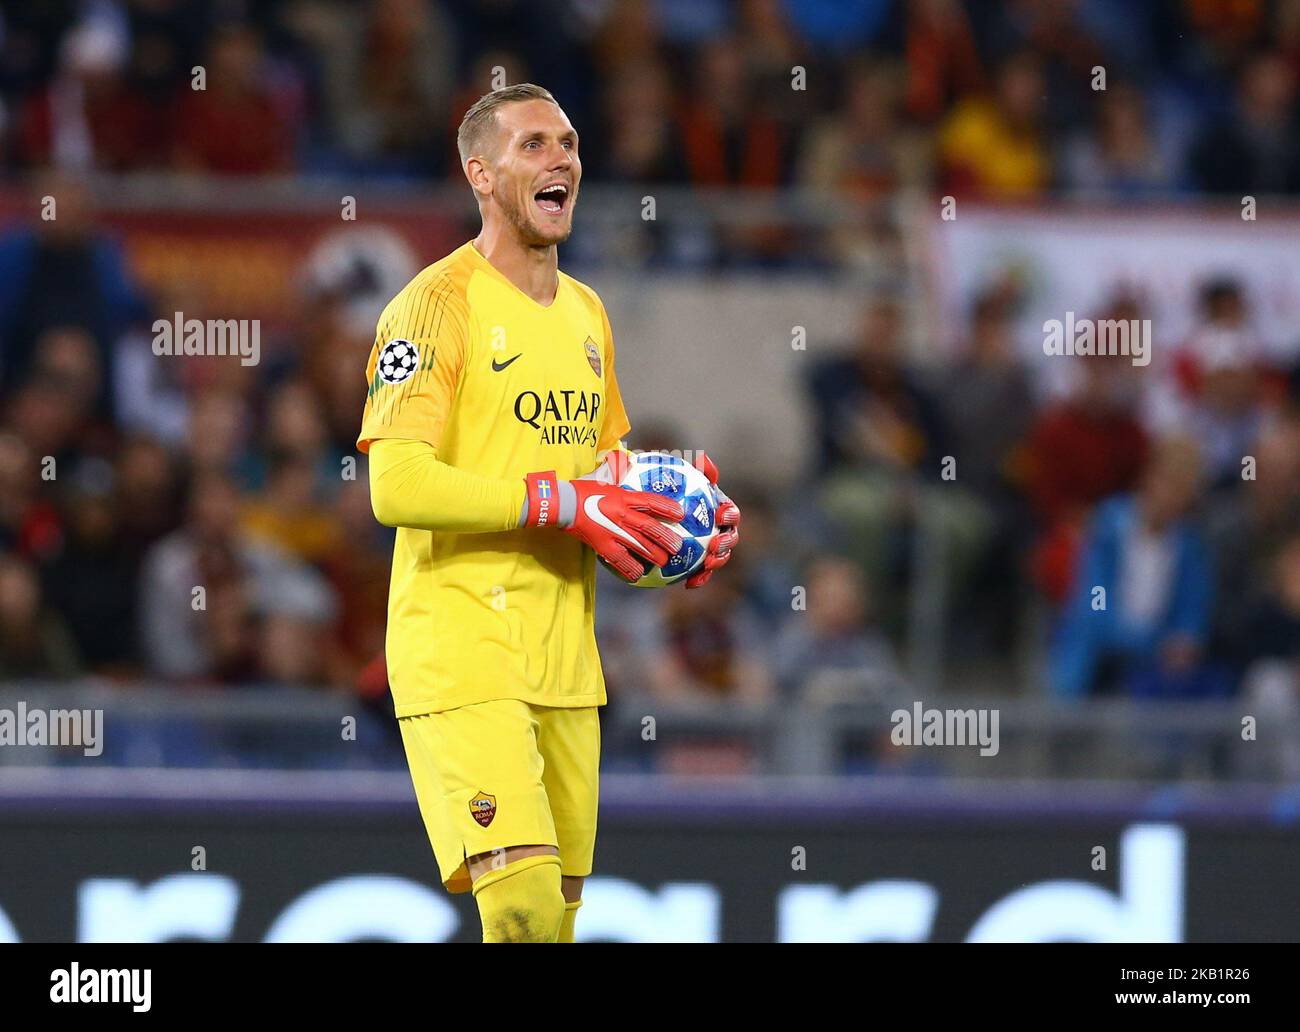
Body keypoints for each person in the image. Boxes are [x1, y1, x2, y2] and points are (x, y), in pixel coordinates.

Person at [357, 84, 741, 943]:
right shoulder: (432, 306)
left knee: (552, 929)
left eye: (567, 141)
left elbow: (601, 479)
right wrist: (560, 502)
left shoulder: (588, 315)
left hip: (566, 664)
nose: (561, 157)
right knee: (523, 912)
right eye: (533, 145)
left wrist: (680, 517)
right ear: (481, 174)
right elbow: (397, 486)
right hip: (462, 653)